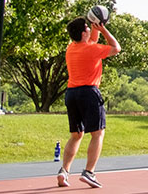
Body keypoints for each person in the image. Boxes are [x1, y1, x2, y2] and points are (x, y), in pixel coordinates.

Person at [58, 18, 121, 188]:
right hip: (89, 93)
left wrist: (96, 27)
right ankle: (89, 172)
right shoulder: (92, 49)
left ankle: (64, 171)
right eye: (87, 27)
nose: (89, 29)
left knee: (76, 135)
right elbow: (116, 48)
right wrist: (104, 30)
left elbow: (92, 40)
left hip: (71, 93)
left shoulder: (71, 48)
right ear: (83, 33)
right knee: (97, 133)